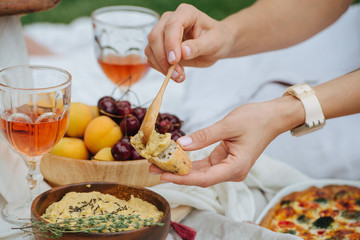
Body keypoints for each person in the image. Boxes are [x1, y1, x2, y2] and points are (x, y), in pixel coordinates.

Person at [145, 1, 360, 187]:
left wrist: (289, 112)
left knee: (274, 163)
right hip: (335, 39)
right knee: (214, 92)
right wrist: (227, 35)